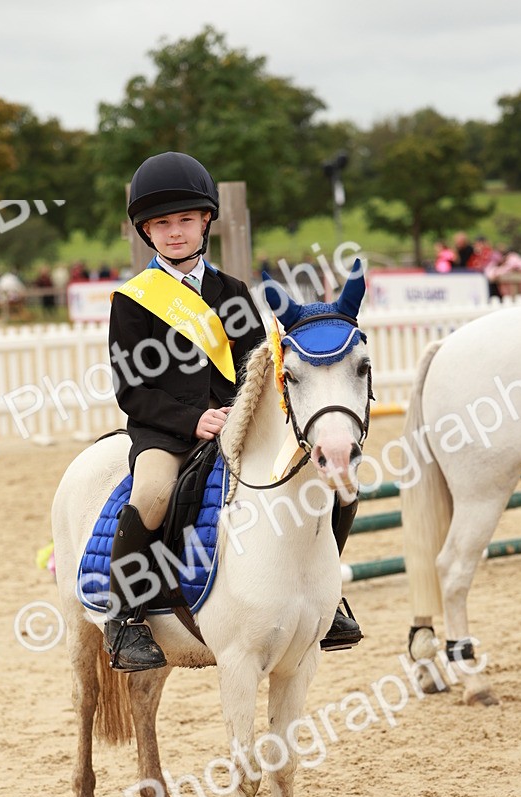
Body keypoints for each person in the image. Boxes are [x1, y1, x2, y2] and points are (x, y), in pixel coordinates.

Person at [104, 151, 362, 670]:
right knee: (153, 493)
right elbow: (132, 389)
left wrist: (245, 417)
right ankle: (125, 615)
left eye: (184, 221)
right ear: (145, 232)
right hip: (166, 431)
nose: (174, 233)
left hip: (237, 426)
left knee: (332, 484)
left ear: (205, 222)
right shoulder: (132, 300)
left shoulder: (233, 291)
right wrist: (189, 419)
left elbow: (255, 369)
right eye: (162, 225)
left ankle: (326, 598)